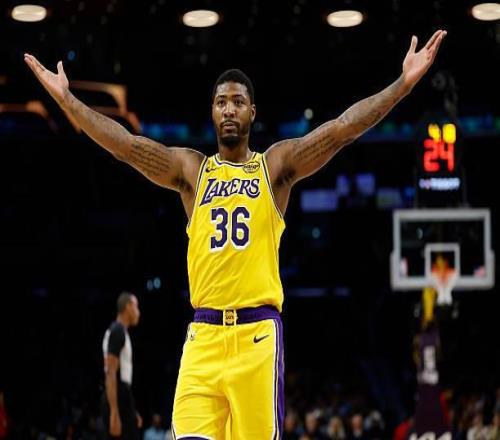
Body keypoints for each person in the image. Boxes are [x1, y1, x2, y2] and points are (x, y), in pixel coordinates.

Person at [25, 28, 446, 439]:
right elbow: (125, 145)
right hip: (203, 337)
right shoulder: (192, 171)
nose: (229, 109)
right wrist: (67, 100)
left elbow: (340, 130)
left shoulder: (274, 167)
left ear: (252, 112)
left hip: (256, 336)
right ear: (212, 111)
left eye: (238, 102)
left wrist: (402, 86)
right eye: (221, 102)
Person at [101, 292, 142, 439]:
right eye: (136, 307)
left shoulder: (121, 331)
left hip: (122, 396)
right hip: (117, 395)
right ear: (128, 306)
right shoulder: (117, 331)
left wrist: (131, 410)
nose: (138, 312)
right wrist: (114, 412)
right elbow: (111, 372)